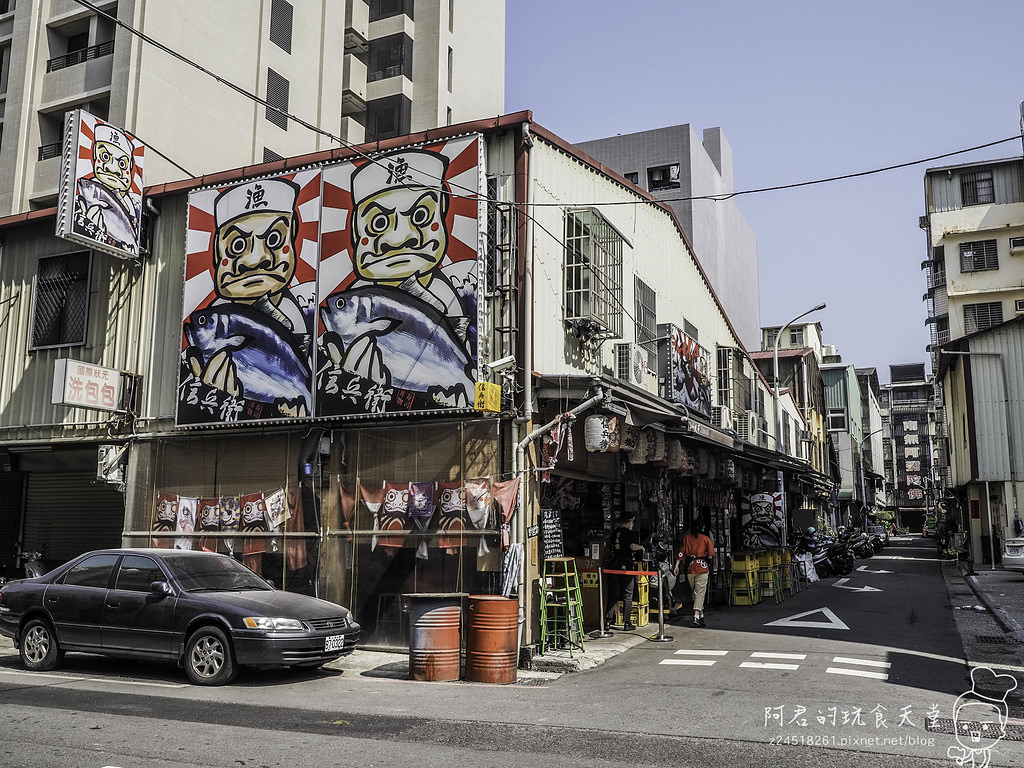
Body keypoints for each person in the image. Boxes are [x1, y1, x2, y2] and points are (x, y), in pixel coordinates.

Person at [604, 513, 645, 630]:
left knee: (614, 593)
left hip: (614, 564)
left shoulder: (614, 533)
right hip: (626, 564)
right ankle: (627, 622)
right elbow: (632, 546)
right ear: (630, 522)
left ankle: (608, 621)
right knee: (628, 593)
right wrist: (640, 547)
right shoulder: (629, 533)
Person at [674, 522, 715, 627]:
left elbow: (681, 553)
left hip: (690, 568)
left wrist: (677, 566)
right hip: (702, 567)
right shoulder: (705, 538)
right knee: (699, 593)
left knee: (695, 593)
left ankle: (701, 615)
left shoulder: (686, 538)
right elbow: (711, 554)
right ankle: (696, 616)